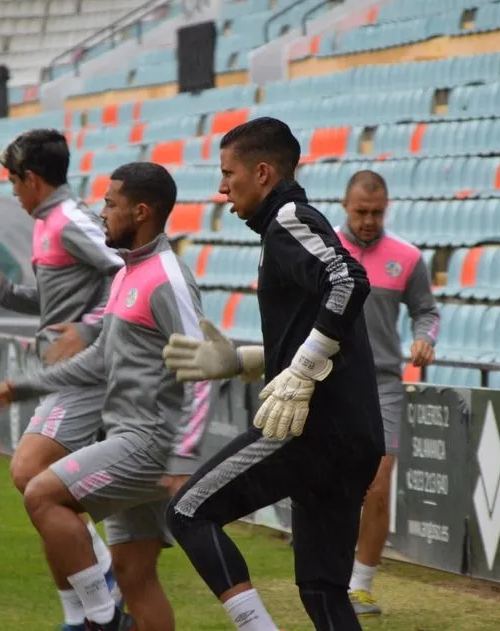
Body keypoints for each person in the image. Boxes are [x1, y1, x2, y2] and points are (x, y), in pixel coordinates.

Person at [161, 117, 385, 631]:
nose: (221, 187)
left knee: (187, 512)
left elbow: (349, 281)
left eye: (228, 173)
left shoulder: (287, 218)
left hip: (313, 429)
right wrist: (245, 360)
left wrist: (302, 371)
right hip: (353, 432)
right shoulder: (286, 224)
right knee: (323, 590)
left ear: (262, 172)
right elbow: (324, 319)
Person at [0, 161, 215, 631]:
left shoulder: (168, 278)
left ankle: (100, 619)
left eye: (111, 204)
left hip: (150, 444)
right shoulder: (127, 273)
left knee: (41, 494)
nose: (103, 213)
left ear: (142, 211)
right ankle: (106, 613)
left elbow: (202, 370)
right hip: (130, 437)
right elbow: (98, 361)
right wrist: (26, 386)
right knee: (135, 574)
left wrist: (182, 457)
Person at [0, 129, 124, 629]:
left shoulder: (70, 219)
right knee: (46, 497)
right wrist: (5, 293)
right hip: (61, 374)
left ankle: (105, 604)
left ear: (31, 179)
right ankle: (79, 614)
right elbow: (54, 298)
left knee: (29, 474)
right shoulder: (47, 222)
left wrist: (88, 327)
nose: (11, 191)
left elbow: (132, 273)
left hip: (89, 372)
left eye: (13, 181)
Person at [336, 170, 440, 615]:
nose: (369, 221)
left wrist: (426, 338)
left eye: (377, 213)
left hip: (382, 385)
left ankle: (360, 587)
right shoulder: (324, 253)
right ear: (345, 206)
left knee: (377, 485)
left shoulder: (407, 258)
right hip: (332, 382)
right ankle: (329, 578)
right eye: (361, 212)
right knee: (333, 485)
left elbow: (426, 312)